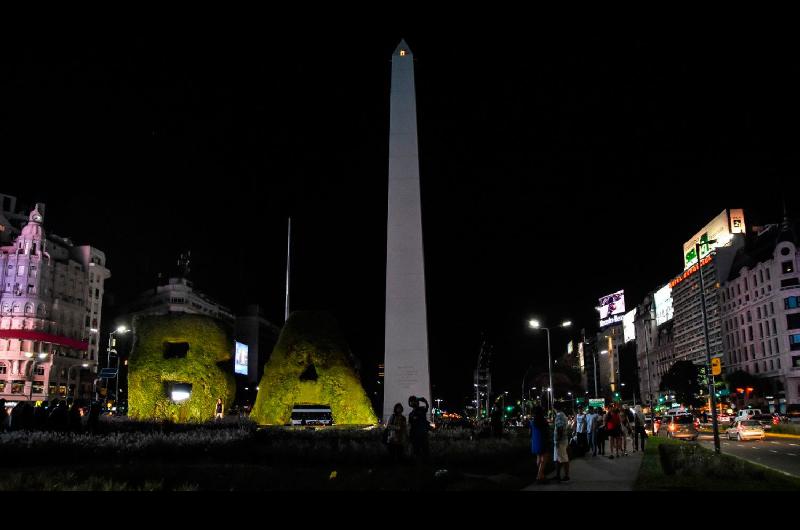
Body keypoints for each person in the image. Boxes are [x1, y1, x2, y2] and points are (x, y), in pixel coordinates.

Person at [530, 405, 551, 483]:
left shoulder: (532, 422)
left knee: (538, 457)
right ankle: (539, 476)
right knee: (544, 458)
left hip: (535, 442)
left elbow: (530, 432)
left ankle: (541, 475)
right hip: (542, 441)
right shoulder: (544, 421)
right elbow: (547, 432)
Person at [408, 396, 430, 461]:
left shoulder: (422, 409)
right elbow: (410, 425)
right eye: (411, 401)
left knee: (425, 451)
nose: (413, 402)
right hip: (414, 435)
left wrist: (424, 401)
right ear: (410, 403)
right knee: (416, 452)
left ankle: (426, 466)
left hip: (423, 434)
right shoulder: (411, 414)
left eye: (415, 401)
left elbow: (427, 407)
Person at [552, 403, 570, 481]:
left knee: (563, 458)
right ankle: (558, 475)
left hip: (560, 441)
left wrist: (558, 440)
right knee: (558, 458)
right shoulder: (563, 415)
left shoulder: (559, 416)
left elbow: (560, 428)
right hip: (563, 439)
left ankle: (566, 476)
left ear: (554, 408)